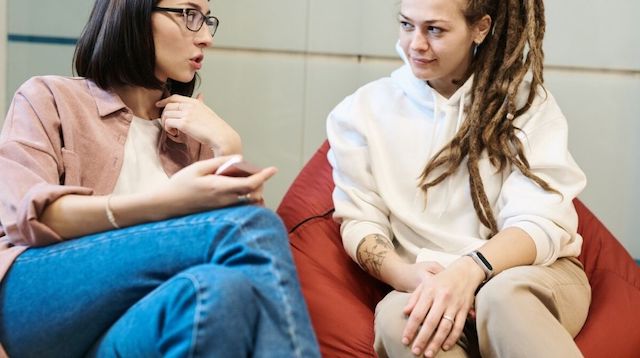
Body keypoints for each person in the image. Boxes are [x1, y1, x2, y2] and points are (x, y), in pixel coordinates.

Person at [0, 0, 320, 357]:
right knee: (252, 228)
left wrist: (228, 148)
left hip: (126, 329)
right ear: (133, 12)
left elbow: (243, 261)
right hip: (35, 300)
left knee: (220, 290)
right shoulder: (49, 97)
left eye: (207, 19)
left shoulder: (193, 134)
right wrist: (169, 201)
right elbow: (27, 218)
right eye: (189, 15)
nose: (206, 38)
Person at [327, 0, 590, 357]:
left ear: (480, 28)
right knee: (400, 319)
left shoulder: (525, 105)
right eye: (407, 25)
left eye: (434, 30)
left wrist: (471, 270)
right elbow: (360, 220)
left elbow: (541, 220)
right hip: (425, 280)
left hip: (526, 275)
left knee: (503, 298)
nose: (416, 43)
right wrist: (407, 277)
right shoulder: (360, 112)